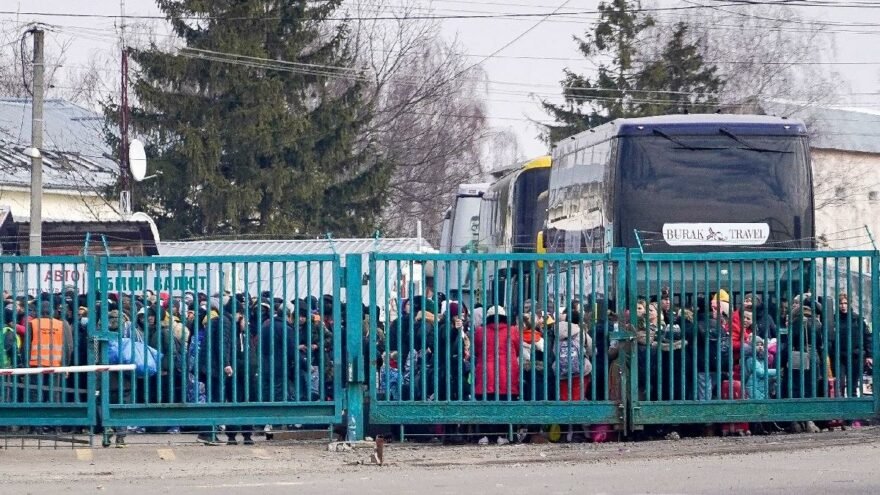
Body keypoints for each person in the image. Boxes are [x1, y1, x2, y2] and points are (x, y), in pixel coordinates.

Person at [474, 305, 519, 445]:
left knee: (485, 404)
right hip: (507, 372)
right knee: (504, 404)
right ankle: (502, 435)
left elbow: (476, 350)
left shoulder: (480, 331)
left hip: (486, 373)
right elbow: (517, 349)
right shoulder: (513, 331)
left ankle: (484, 435)